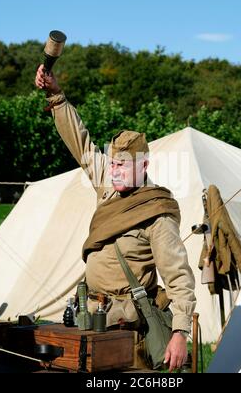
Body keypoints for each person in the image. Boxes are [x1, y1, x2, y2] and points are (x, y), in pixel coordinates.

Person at [35, 65, 196, 372]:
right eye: (113, 163)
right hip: (92, 316)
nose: (115, 170)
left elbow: (177, 275)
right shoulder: (109, 185)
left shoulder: (155, 211)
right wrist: (56, 96)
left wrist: (180, 331)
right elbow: (81, 145)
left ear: (144, 163)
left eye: (123, 165)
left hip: (128, 329)